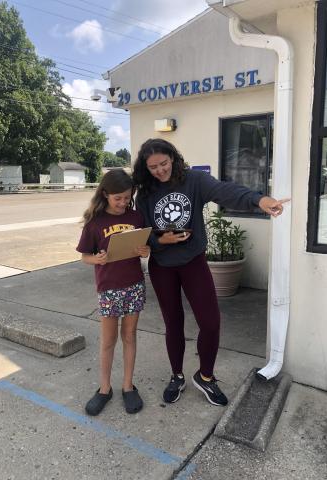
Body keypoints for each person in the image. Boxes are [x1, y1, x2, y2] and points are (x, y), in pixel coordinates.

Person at [133, 138, 288, 407]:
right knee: (173, 324)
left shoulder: (193, 180)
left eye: (164, 163)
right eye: (153, 167)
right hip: (162, 267)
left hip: (193, 261)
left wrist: (259, 200)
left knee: (211, 322)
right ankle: (177, 375)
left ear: (174, 158)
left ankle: (205, 376)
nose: (159, 170)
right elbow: (143, 234)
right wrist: (160, 242)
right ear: (145, 168)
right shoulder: (144, 193)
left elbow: (225, 191)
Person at [76, 169, 150, 415]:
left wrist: (144, 251)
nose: (122, 203)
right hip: (108, 289)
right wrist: (96, 260)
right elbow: (84, 257)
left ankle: (128, 386)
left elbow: (144, 246)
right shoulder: (95, 223)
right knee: (108, 341)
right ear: (105, 194)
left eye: (127, 197)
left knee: (130, 337)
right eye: (117, 198)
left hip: (134, 285)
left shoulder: (137, 217)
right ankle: (104, 389)